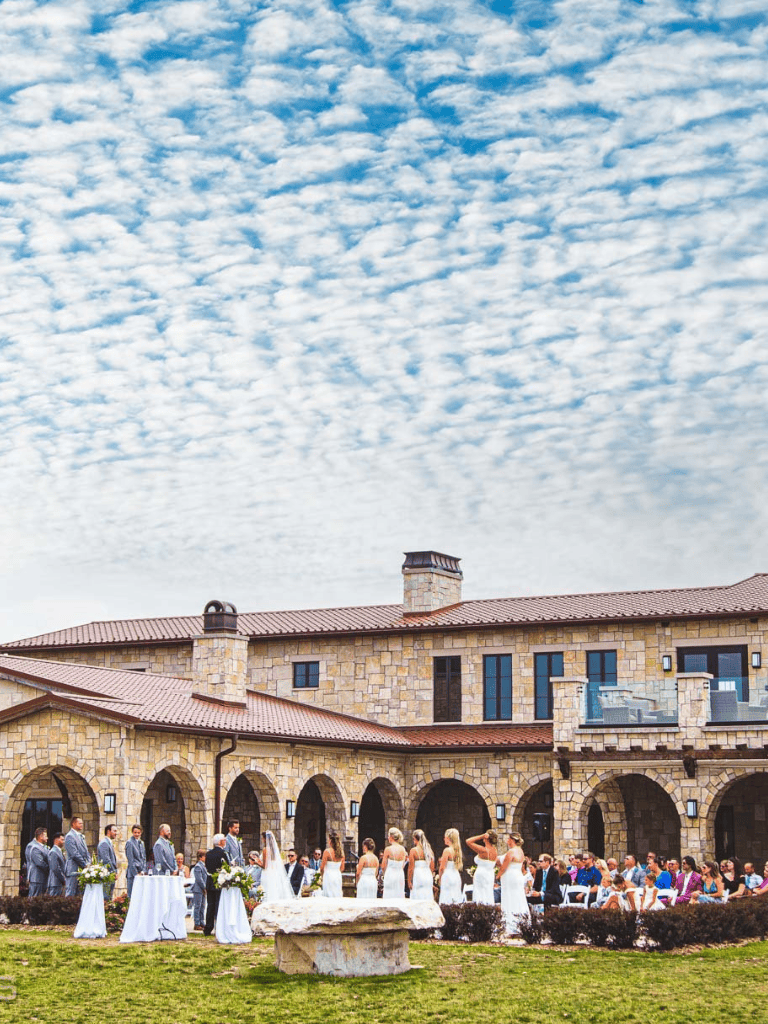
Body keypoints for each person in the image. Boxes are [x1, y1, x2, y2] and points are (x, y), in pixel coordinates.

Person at [497, 832, 530, 935]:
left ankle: (511, 924)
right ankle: (522, 922)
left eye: (508, 839)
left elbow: (504, 866)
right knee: (518, 896)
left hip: (510, 876)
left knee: (509, 897)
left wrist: (497, 876)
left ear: (512, 840)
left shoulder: (511, 852)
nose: (507, 841)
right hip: (518, 876)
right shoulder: (521, 851)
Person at [204, 834, 229, 935]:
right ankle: (219, 926)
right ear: (220, 842)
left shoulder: (208, 854)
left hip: (210, 881)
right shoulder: (222, 854)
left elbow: (207, 866)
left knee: (210, 905)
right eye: (223, 840)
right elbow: (226, 866)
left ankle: (208, 927)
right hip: (219, 881)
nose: (225, 842)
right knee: (218, 905)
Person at [260, 831, 296, 902]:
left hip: (267, 873)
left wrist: (257, 862)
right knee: (274, 890)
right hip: (274, 872)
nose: (262, 840)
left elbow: (264, 866)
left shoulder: (265, 849)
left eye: (262, 838)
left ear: (265, 839)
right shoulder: (274, 850)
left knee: (267, 890)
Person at [466, 830, 498, 906]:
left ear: (486, 838)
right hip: (490, 874)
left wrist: (481, 836)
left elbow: (468, 841)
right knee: (488, 893)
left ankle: (480, 910)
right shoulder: (495, 850)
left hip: (481, 874)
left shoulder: (483, 850)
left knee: (479, 894)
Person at [64, 816, 89, 897]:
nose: (82, 825)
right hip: (73, 870)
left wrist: (89, 863)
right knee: (71, 893)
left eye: (82, 823)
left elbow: (86, 852)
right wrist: (85, 864)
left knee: (80, 894)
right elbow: (74, 854)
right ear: (73, 824)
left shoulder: (81, 836)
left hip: (81, 871)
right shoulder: (69, 836)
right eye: (80, 823)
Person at [380, 827, 407, 899]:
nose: (388, 838)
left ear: (391, 837)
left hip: (390, 874)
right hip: (400, 874)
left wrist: (384, 873)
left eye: (388, 836)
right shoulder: (403, 849)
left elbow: (383, 866)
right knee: (399, 893)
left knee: (389, 895)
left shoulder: (388, 849)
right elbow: (403, 864)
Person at [408, 830, 435, 901]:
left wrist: (409, 881)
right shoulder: (429, 851)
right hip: (427, 875)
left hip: (418, 875)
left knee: (417, 896)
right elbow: (432, 867)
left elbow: (411, 867)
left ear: (415, 838)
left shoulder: (413, 850)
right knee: (427, 895)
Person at [438, 829, 463, 905]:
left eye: (445, 837)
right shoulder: (457, 851)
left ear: (449, 838)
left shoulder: (447, 850)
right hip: (456, 876)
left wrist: (439, 878)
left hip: (447, 876)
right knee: (455, 896)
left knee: (446, 897)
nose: (444, 839)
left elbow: (442, 867)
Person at [320, 831, 345, 898]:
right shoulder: (341, 852)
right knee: (337, 894)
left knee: (328, 895)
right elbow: (342, 868)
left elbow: (322, 867)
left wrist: (322, 875)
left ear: (330, 840)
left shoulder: (327, 851)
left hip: (328, 875)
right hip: (337, 875)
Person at [97, 825, 118, 899]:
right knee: (105, 897)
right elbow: (106, 860)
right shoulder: (104, 843)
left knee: (109, 896)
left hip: (110, 875)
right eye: (114, 831)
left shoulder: (108, 842)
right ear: (108, 831)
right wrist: (113, 872)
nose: (116, 833)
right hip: (106, 875)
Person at [125, 824, 147, 897]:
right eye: (135, 832)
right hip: (133, 873)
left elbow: (144, 858)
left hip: (141, 872)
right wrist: (136, 873)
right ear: (132, 832)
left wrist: (143, 871)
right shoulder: (129, 843)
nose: (137, 834)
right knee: (131, 895)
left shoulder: (142, 843)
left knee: (140, 895)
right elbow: (131, 860)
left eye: (138, 832)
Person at [27, 828, 49, 897]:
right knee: (34, 900)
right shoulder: (34, 847)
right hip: (36, 879)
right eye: (45, 836)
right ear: (40, 836)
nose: (47, 838)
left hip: (42, 879)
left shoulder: (43, 847)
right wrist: (51, 868)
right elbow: (40, 863)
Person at [192, 849, 208, 931]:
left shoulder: (203, 866)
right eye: (205, 856)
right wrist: (204, 887)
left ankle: (202, 922)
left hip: (202, 890)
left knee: (202, 906)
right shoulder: (198, 866)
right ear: (201, 857)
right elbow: (199, 879)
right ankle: (197, 923)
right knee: (197, 906)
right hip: (198, 889)